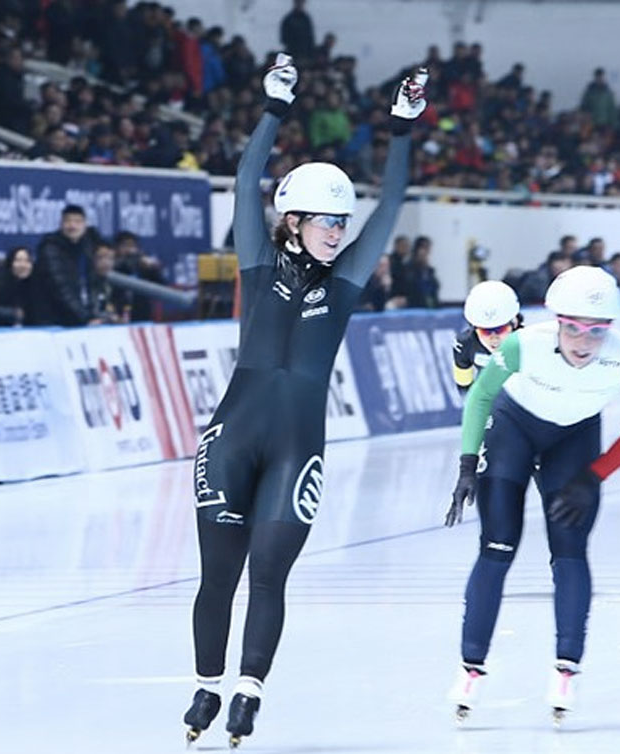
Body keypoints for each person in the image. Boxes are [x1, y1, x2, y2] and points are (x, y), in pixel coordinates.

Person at [182, 55, 426, 747]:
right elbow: (243, 181)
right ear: (292, 219)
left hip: (297, 446)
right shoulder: (258, 260)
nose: (338, 229)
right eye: (324, 218)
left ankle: (250, 690)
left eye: (342, 220)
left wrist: (404, 126)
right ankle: (205, 682)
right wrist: (273, 107)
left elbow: (394, 205)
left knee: (268, 576)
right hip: (231, 437)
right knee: (218, 576)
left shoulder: (346, 279)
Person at [442, 266, 620, 726]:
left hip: (574, 443)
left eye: (597, 331)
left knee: (570, 550)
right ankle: (470, 667)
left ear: (612, 329)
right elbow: (480, 397)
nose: (583, 341)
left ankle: (566, 668)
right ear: (556, 321)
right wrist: (466, 463)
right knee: (498, 546)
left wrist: (593, 476)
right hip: (514, 431)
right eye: (573, 328)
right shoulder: (524, 344)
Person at [452, 280, 522, 392]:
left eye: (500, 329)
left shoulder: (528, 343)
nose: (494, 338)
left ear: (514, 323)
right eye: (486, 331)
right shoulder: (464, 344)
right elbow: (464, 388)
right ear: (474, 328)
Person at [0, 247, 35, 316]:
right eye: (18, 260)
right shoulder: (0, 284)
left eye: (28, 261)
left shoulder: (36, 285)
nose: (23, 265)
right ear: (10, 264)